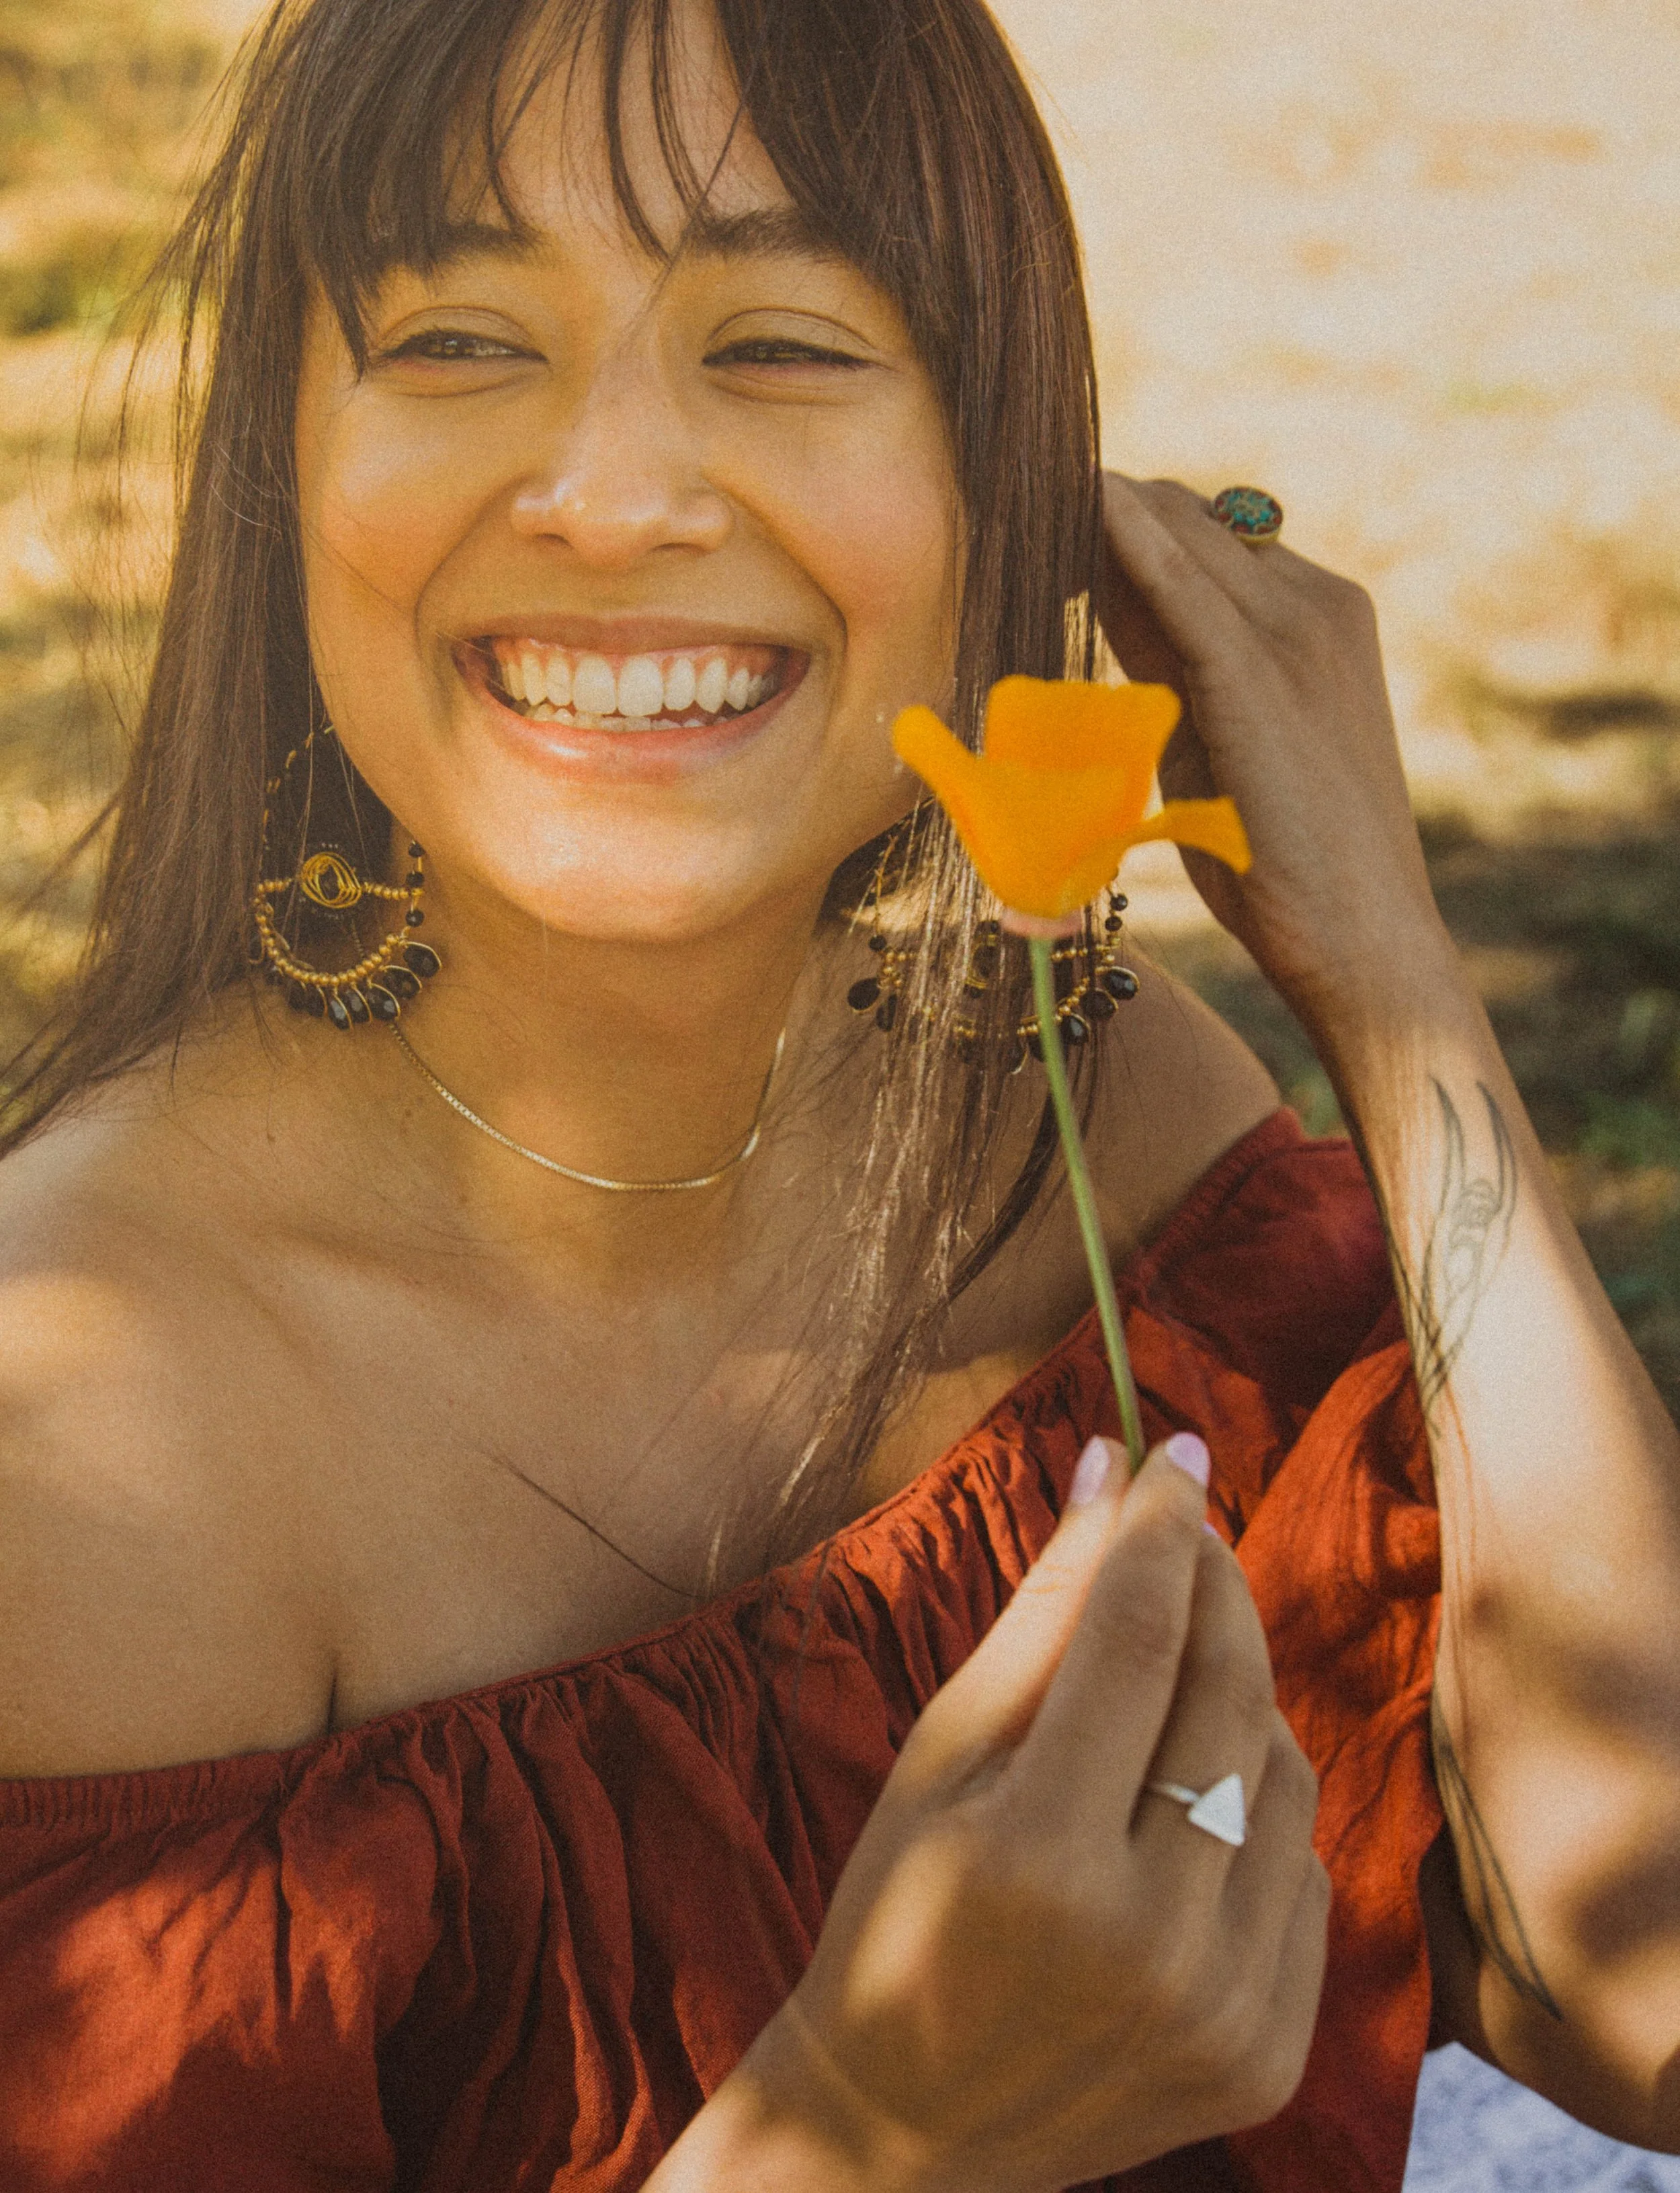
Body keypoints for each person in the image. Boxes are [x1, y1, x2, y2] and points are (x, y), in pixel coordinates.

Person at [0, 0, 1676, 2186]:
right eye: (455, 340)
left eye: (783, 343)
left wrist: (1391, 983)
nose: (610, 496)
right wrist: (876, 2130)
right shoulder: (85, 1456)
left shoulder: (1072, 1125)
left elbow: (1629, 1985)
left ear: (1003, 477)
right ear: (286, 470)